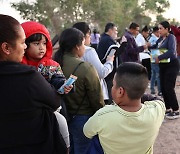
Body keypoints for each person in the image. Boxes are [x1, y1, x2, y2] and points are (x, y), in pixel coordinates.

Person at [0, 14, 67, 153]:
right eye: (23, 42)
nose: (24, 47)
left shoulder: (48, 66)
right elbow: (54, 102)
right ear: (6, 48)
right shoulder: (27, 76)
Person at [83, 62, 165, 154]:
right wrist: (138, 93)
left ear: (120, 91)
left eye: (113, 85)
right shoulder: (156, 110)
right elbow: (158, 100)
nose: (112, 87)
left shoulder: (102, 115)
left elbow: (87, 132)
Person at [21, 21, 71, 150]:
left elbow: (57, 79)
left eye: (44, 43)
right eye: (36, 44)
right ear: (24, 45)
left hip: (51, 111)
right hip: (27, 114)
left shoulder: (51, 65)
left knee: (61, 128)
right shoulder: (19, 66)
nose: (41, 48)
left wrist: (64, 86)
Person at [54, 28, 104, 154]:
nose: (84, 46)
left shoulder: (53, 64)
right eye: (83, 43)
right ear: (77, 47)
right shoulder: (85, 68)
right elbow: (96, 99)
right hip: (82, 119)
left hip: (61, 119)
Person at [72, 22, 114, 104]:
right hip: (95, 97)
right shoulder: (88, 51)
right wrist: (110, 61)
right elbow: (101, 73)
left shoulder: (69, 51)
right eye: (89, 34)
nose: (90, 37)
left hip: (78, 97)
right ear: (83, 36)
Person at [150, 21, 180, 119]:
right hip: (163, 65)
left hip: (172, 64)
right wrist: (148, 46)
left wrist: (159, 57)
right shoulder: (160, 39)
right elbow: (155, 47)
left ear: (167, 29)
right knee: (162, 87)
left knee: (169, 87)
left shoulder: (171, 38)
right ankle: (168, 108)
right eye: (158, 28)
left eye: (161, 28)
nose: (159, 30)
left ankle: (176, 109)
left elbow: (171, 51)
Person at [96, 23, 121, 102]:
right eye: (115, 30)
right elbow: (113, 53)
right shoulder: (107, 40)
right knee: (111, 94)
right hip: (109, 72)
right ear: (110, 30)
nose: (116, 32)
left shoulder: (104, 39)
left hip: (108, 71)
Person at [148, 26, 161, 96]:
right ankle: (159, 91)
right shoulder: (155, 39)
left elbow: (149, 47)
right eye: (159, 32)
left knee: (153, 74)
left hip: (152, 56)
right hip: (156, 56)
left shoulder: (151, 38)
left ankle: (152, 89)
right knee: (158, 74)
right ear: (156, 32)